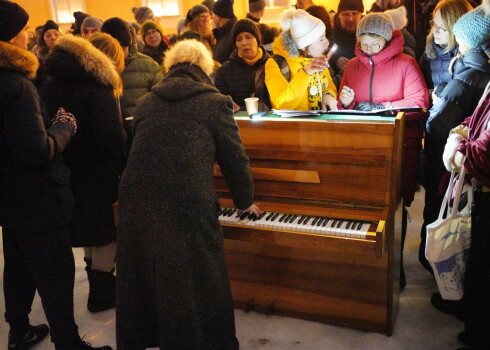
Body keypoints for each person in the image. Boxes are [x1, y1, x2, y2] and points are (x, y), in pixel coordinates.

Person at [116, 39, 260, 350]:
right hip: (187, 201)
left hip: (137, 201)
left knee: (148, 277)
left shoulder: (145, 102)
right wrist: (245, 200)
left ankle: (155, 337)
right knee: (200, 278)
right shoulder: (215, 103)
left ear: (170, 68)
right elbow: (235, 159)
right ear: (205, 69)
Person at [0, 1, 112, 349]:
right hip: (38, 199)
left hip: (9, 197)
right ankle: (68, 341)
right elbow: (36, 151)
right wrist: (63, 127)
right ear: (8, 37)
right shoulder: (17, 86)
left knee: (18, 269)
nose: (29, 34)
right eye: (23, 28)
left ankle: (18, 331)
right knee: (55, 274)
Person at [338, 13, 429, 287]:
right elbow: (345, 108)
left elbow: (419, 102)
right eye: (363, 43)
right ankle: (369, 264)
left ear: (387, 39)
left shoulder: (406, 63)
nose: (368, 49)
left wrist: (381, 108)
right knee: (367, 204)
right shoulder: (352, 66)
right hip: (364, 146)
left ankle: (396, 265)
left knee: (396, 206)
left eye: (374, 43)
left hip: (399, 144)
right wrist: (346, 102)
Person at [40, 34, 127, 314]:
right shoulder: (98, 86)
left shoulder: (52, 80)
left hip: (65, 168)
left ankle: (97, 287)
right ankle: (102, 294)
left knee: (89, 230)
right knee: (106, 232)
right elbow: (111, 136)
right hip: (98, 171)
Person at [426, 5, 490, 319]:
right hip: (469, 167)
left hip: (472, 172)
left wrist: (458, 138)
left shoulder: (472, 70)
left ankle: (467, 311)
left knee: (467, 241)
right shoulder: (476, 68)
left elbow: (441, 123)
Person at [417, 0, 473, 275]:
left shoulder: (470, 58)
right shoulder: (429, 53)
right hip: (436, 134)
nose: (434, 31)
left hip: (459, 138)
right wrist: (430, 95)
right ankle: (428, 258)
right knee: (433, 198)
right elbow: (420, 86)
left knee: (454, 205)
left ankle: (449, 265)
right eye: (433, 25)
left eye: (441, 27)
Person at [265, 9, 337, 111]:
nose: (327, 42)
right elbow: (281, 105)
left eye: (325, 36)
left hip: (320, 124)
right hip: (294, 126)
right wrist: (306, 73)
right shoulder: (275, 63)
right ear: (304, 46)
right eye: (321, 39)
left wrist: (328, 95)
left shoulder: (317, 57)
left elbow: (329, 85)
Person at [102, 17, 164, 119]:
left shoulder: (149, 66)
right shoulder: (96, 69)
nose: (119, 54)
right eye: (113, 50)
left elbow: (162, 102)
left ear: (129, 42)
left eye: (122, 48)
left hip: (142, 128)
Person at [215, 19, 270, 110]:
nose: (244, 43)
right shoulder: (224, 72)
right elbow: (220, 105)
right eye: (239, 39)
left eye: (249, 37)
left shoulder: (272, 65)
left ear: (257, 40)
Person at [330, 0, 364, 75]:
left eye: (354, 14)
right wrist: (335, 61)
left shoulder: (368, 35)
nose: (350, 19)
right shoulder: (329, 37)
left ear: (361, 15)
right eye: (346, 14)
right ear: (339, 15)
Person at [31, 19, 62, 88]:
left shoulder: (67, 54)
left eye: (56, 34)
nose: (53, 38)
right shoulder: (37, 58)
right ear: (43, 39)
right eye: (48, 35)